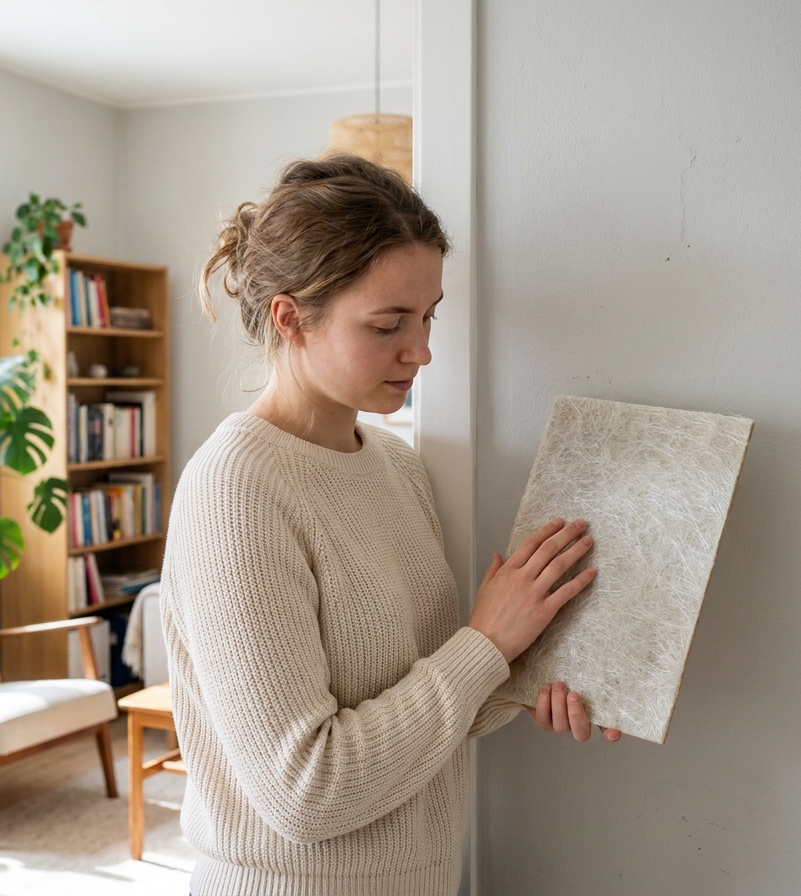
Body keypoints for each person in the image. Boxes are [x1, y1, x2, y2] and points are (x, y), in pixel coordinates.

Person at [160, 153, 619, 896]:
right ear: (290, 317)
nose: (423, 351)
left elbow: (416, 709)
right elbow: (307, 792)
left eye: (429, 315)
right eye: (388, 324)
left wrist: (527, 677)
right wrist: (488, 644)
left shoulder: (396, 467)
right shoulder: (236, 489)